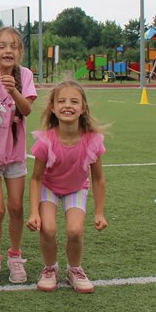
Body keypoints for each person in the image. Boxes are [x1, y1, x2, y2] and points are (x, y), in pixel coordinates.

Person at [26, 80, 107, 294]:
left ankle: (75, 269)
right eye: (61, 101)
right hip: (49, 188)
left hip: (76, 188)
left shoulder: (92, 140)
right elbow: (36, 179)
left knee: (75, 230)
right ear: (53, 107)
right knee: (48, 228)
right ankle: (50, 268)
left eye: (74, 101)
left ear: (83, 108)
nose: (67, 105)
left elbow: (98, 178)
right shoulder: (46, 141)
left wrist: (99, 212)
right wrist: (34, 212)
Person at [0, 27, 37, 286]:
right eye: (1, 46)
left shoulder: (25, 75)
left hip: (15, 153)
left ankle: (15, 255)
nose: (7, 50)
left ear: (20, 51)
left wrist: (13, 91)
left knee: (16, 206)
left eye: (13, 46)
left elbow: (27, 110)